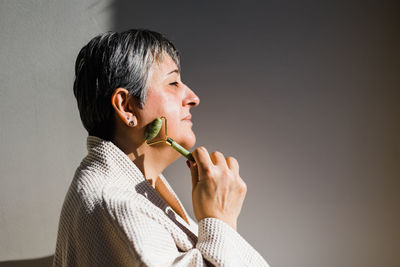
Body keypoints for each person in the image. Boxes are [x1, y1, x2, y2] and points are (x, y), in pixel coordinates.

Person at [53, 29, 269, 267]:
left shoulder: (127, 192)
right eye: (173, 82)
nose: (193, 97)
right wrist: (220, 219)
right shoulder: (116, 204)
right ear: (126, 107)